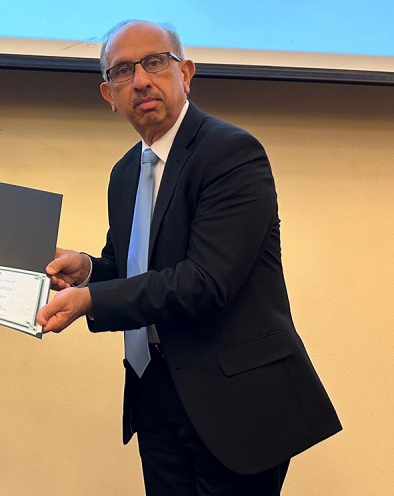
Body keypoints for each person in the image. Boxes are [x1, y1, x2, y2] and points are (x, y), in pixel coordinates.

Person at [37, 20, 341, 496]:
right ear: (108, 95)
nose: (140, 80)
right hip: (154, 391)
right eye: (122, 72)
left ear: (187, 73)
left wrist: (90, 300)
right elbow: (133, 269)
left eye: (154, 62)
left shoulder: (231, 153)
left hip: (234, 401)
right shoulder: (125, 172)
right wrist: (89, 268)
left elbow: (205, 280)